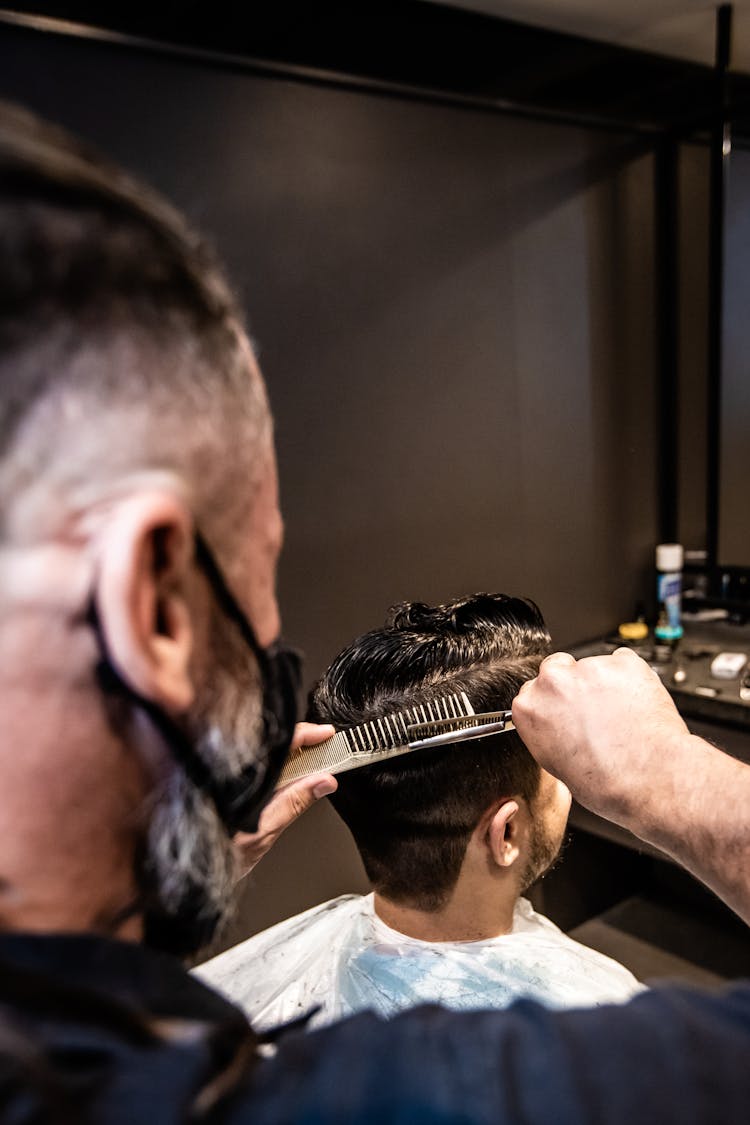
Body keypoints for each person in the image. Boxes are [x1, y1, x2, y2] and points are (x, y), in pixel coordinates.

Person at [1, 97, 749, 1123]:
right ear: (155, 610)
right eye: (260, 576)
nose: (266, 627)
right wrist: (675, 781)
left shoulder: (157, 1032)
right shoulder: (493, 1088)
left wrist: (165, 906)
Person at [197, 594, 642, 1028]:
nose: (567, 784)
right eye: (558, 771)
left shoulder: (216, 1017)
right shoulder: (610, 1024)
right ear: (505, 834)